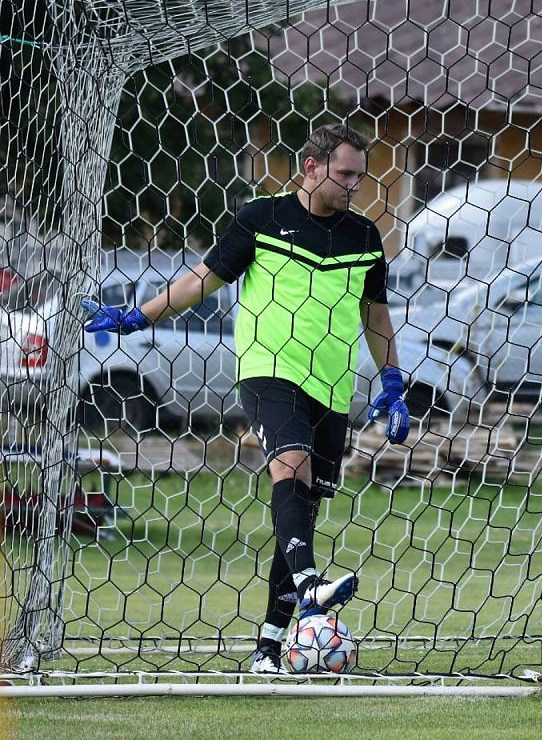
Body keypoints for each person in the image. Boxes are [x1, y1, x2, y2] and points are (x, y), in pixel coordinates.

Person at [82, 123, 411, 673]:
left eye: (361, 174)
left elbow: (374, 313)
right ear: (311, 166)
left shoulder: (362, 235)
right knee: (290, 467)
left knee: (302, 511)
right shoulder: (262, 218)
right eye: (346, 173)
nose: (356, 184)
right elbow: (200, 281)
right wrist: (140, 314)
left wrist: (393, 381)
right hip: (269, 372)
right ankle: (310, 586)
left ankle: (267, 650)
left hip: (331, 387)